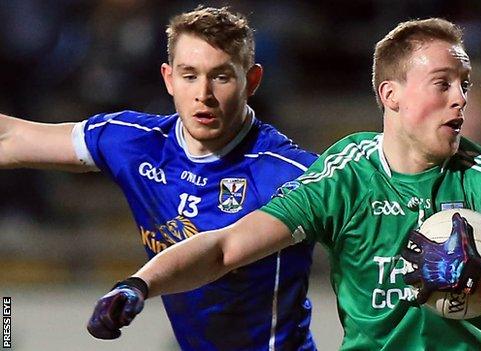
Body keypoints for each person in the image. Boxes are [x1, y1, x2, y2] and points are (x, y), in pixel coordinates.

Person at [90, 18, 481, 350]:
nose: (460, 99)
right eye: (443, 83)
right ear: (390, 94)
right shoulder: (344, 175)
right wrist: (139, 285)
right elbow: (224, 249)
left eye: (465, 85)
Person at [0, 6, 318, 351]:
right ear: (168, 78)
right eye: (189, 75)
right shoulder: (136, 143)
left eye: (221, 76)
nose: (204, 94)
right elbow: (12, 139)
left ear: (251, 81)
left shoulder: (292, 172)